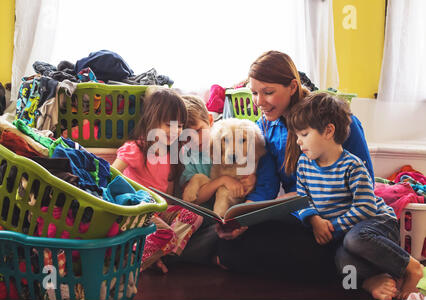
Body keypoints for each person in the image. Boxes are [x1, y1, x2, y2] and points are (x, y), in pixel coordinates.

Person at [216, 50, 376, 279]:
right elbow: (266, 185)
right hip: (303, 216)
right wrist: (243, 220)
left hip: (339, 218)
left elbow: (365, 183)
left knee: (350, 244)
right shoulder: (266, 126)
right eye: (254, 93)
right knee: (230, 249)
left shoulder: (335, 120)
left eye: (268, 92)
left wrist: (315, 213)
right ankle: (344, 268)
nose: (259, 102)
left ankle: (352, 267)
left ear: (292, 87)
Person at [287, 92, 424, 300]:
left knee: (355, 239)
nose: (298, 142)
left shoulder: (352, 166)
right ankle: (370, 282)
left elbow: (366, 208)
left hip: (376, 225)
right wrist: (314, 219)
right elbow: (301, 197)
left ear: (328, 131)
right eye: (297, 135)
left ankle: (410, 266)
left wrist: (334, 227)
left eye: (304, 134)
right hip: (344, 233)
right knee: (343, 265)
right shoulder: (304, 164)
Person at [111, 87, 203, 273]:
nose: (176, 130)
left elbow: (167, 198)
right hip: (134, 210)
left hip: (156, 211)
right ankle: (129, 264)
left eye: (179, 125)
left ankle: (157, 254)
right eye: (169, 124)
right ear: (152, 121)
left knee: (195, 215)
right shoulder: (137, 148)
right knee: (164, 232)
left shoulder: (172, 155)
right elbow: (110, 176)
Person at [161, 95, 255, 267]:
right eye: (187, 137)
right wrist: (222, 180)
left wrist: (248, 179)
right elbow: (193, 198)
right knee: (196, 231)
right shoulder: (188, 155)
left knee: (235, 233)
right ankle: (177, 253)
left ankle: (206, 254)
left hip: (227, 218)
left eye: (197, 130)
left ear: (210, 120)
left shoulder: (227, 144)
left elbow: (245, 177)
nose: (194, 140)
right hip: (203, 221)